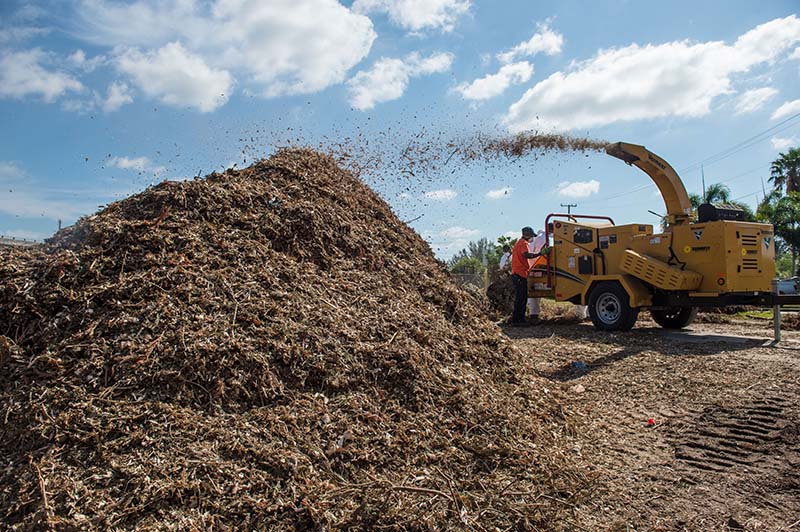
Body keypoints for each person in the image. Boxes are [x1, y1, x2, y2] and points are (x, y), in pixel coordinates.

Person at [511, 227, 543, 326]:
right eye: (531, 236)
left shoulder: (518, 243)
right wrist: (539, 254)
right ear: (527, 234)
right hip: (520, 274)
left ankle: (517, 319)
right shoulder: (523, 243)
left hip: (518, 273)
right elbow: (526, 255)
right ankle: (519, 320)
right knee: (521, 298)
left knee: (520, 298)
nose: (532, 238)